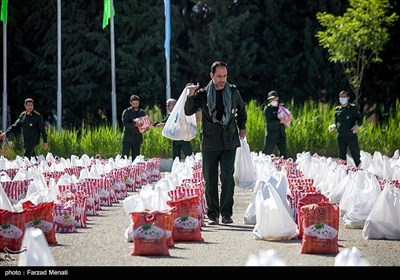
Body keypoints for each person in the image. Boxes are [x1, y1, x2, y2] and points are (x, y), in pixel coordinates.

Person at [184, 61, 247, 225]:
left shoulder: (233, 92)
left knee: (227, 176)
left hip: (229, 142)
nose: (222, 79)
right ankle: (213, 214)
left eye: (225, 76)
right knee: (210, 179)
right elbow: (188, 110)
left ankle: (226, 213)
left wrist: (242, 127)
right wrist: (191, 94)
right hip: (210, 143)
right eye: (219, 76)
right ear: (212, 76)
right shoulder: (203, 93)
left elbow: (242, 110)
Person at [328, 90, 363, 167]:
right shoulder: (337, 109)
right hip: (341, 136)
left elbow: (360, 118)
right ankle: (343, 174)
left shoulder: (352, 108)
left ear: (348, 98)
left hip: (351, 136)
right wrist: (333, 126)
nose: (342, 98)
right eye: (341, 97)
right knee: (342, 159)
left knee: (356, 155)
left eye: (344, 97)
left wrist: (357, 125)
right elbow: (337, 122)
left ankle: (360, 171)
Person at [121, 94, 149, 160]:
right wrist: (135, 125)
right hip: (127, 138)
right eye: (134, 103)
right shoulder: (126, 112)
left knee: (136, 158)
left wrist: (147, 127)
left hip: (137, 138)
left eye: (137, 103)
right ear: (130, 103)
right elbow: (125, 124)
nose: (136, 105)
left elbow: (145, 124)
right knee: (124, 156)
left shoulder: (142, 112)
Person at [261, 90, 288, 158]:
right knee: (265, 154)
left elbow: (287, 116)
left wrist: (287, 119)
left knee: (283, 154)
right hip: (271, 135)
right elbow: (269, 122)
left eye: (274, 98)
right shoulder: (267, 109)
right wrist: (280, 121)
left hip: (281, 134)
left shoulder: (281, 107)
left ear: (277, 98)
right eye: (271, 99)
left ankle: (283, 167)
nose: (273, 100)